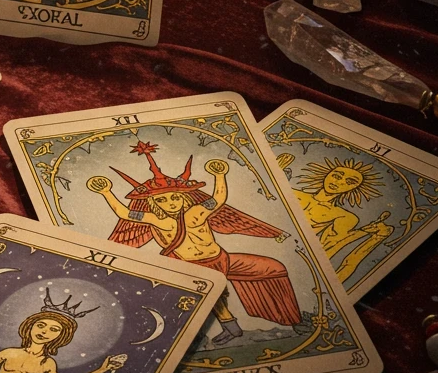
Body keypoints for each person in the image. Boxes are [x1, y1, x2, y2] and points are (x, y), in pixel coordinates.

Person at [87, 141, 302, 346]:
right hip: (190, 266)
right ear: (152, 203)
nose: (170, 203)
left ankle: (288, 318)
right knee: (211, 295)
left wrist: (219, 175)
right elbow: (124, 213)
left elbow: (219, 199)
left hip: (221, 259)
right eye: (162, 200)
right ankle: (229, 327)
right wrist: (106, 192)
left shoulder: (197, 212)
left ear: (184, 197)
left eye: (175, 198)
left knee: (273, 267)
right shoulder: (156, 219)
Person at [282, 154, 390, 282]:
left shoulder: (345, 216)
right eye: (336, 176)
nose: (339, 182)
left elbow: (329, 248)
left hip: (293, 256)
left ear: (354, 188)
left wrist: (364, 233)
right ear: (327, 174)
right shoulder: (293, 192)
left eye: (350, 182)